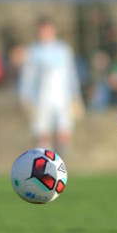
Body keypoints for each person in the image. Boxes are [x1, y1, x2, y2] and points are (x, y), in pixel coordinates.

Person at [18, 17, 83, 158]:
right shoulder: (33, 51)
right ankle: (43, 166)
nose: (44, 33)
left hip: (62, 98)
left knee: (63, 133)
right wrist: (25, 98)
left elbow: (71, 75)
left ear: (53, 30)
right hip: (40, 98)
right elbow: (27, 77)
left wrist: (76, 97)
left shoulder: (63, 50)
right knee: (42, 134)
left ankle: (60, 165)